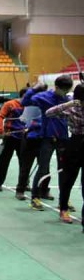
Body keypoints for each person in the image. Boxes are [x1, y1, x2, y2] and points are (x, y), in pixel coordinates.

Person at [19, 76, 72, 209]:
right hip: (48, 137)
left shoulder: (68, 99)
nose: (65, 93)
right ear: (56, 87)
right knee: (43, 168)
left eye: (68, 90)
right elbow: (24, 102)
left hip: (63, 138)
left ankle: (63, 200)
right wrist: (34, 89)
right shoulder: (44, 97)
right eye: (63, 90)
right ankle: (35, 198)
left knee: (64, 170)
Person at [45, 83, 83, 223]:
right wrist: (68, 104)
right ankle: (63, 209)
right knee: (68, 180)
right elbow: (49, 113)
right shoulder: (72, 108)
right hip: (75, 145)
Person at [0, 88, 26, 192]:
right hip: (10, 135)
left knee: (24, 161)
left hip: (24, 136)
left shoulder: (30, 106)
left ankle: (24, 183)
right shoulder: (10, 104)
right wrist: (0, 130)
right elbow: (0, 117)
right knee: (4, 160)